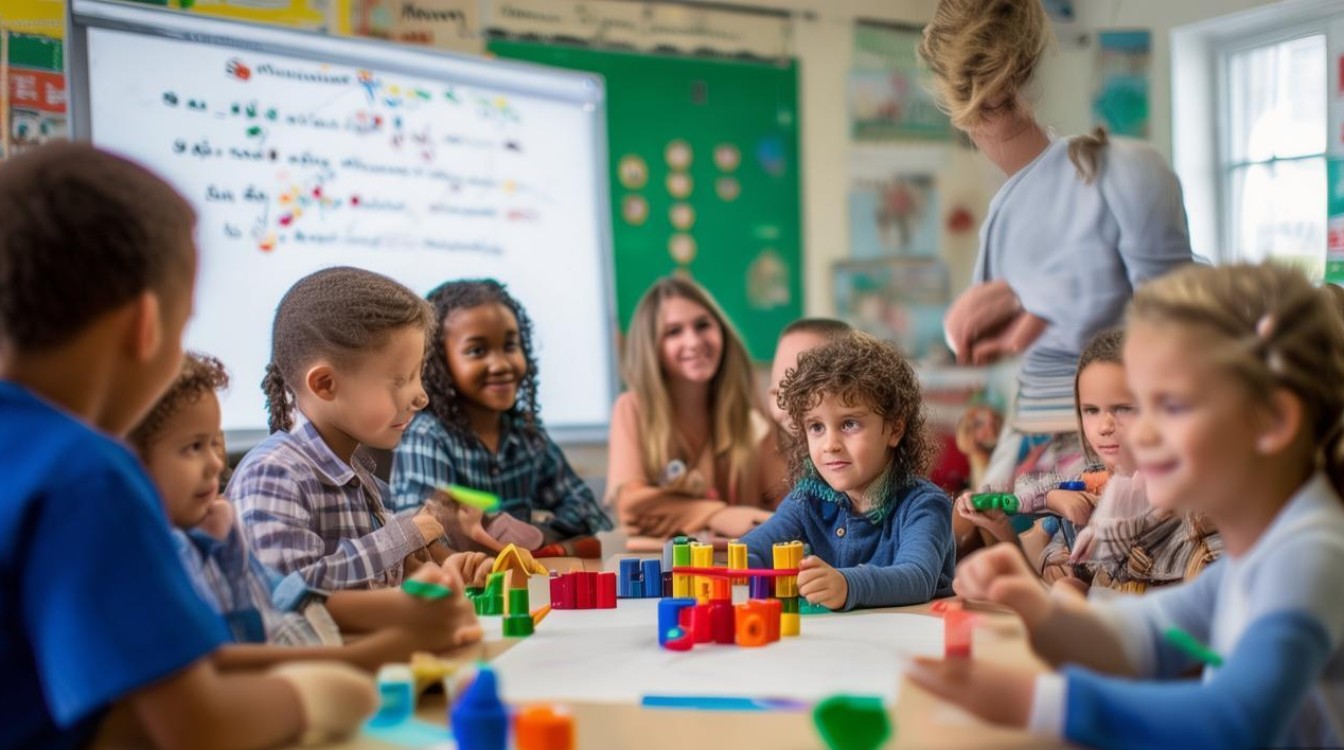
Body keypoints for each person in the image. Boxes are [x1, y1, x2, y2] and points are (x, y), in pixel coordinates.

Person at [0, 142, 372, 750]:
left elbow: (159, 675)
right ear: (146, 328)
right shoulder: (87, 473)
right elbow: (199, 726)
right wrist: (320, 697)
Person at [910, 263, 1344, 749]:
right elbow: (1145, 638)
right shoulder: (1261, 550)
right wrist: (1037, 609)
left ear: (1273, 420)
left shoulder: (1311, 555)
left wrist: (1039, 701)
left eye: (1173, 406)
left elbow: (1232, 721)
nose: (1141, 433)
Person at [918, 0, 1195, 508]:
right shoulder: (1003, 222)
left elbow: (1179, 342)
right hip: (1057, 474)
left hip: (1125, 474)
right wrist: (997, 482)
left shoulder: (1118, 172)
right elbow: (1032, 391)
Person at [133, 353, 487, 671]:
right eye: (194, 447)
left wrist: (428, 587)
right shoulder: (270, 474)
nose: (215, 463)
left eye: (215, 444)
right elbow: (218, 659)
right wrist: (374, 650)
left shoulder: (221, 532)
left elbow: (291, 596)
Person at [230, 267, 452, 590]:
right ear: (325, 384)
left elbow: (368, 579)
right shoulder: (273, 475)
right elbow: (288, 596)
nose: (421, 396)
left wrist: (438, 569)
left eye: (418, 375)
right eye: (401, 380)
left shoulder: (356, 474)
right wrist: (402, 536)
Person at [390, 279, 611, 551]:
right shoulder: (428, 436)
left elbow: (589, 512)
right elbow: (420, 541)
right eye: (477, 351)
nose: (501, 364)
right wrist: (490, 537)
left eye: (509, 346)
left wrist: (537, 535)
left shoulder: (526, 434)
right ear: (439, 362)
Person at [741, 332, 955, 609]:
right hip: (839, 646)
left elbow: (917, 577)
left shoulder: (923, 505)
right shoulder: (808, 500)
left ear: (894, 429)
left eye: (849, 424)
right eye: (816, 427)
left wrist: (846, 585)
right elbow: (755, 549)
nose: (830, 445)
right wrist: (719, 563)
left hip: (907, 646)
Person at [606, 276, 784, 542]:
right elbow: (631, 504)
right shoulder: (632, 408)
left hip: (740, 567)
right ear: (651, 346)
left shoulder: (748, 412)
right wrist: (717, 515)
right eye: (673, 331)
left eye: (703, 325)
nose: (694, 341)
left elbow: (783, 500)